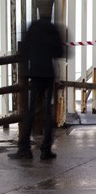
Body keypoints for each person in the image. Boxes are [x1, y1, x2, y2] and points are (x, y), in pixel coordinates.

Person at [8, 18, 63, 160]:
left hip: (35, 74)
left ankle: (25, 149)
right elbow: (60, 52)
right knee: (48, 112)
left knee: (30, 111)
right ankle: (46, 150)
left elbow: (24, 50)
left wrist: (26, 70)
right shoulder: (52, 28)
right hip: (49, 74)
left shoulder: (33, 27)